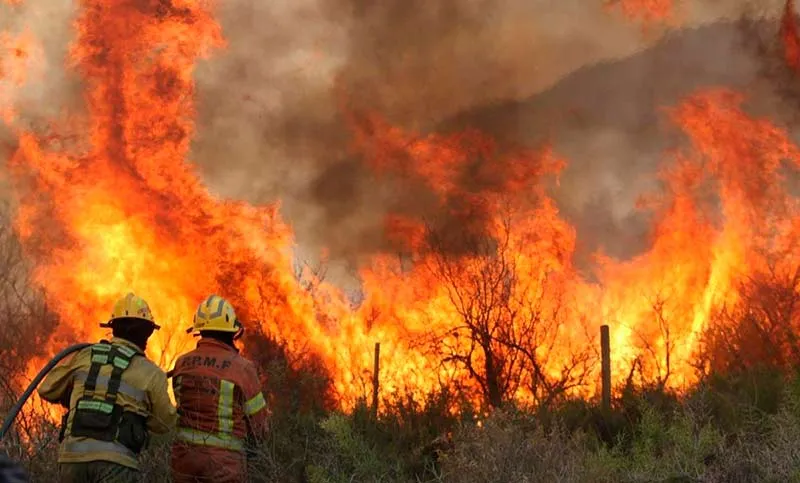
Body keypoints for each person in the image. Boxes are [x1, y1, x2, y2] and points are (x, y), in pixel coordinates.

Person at [38, 293, 177, 483]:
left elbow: (47, 389)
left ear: (113, 328)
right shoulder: (152, 373)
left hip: (72, 459)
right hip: (116, 463)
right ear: (147, 333)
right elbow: (164, 424)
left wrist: (77, 396)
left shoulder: (86, 355)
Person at [170, 295, 268, 483]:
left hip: (184, 459)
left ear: (200, 331)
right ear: (232, 332)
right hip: (224, 464)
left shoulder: (182, 362)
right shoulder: (242, 368)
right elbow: (259, 424)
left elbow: (179, 404)